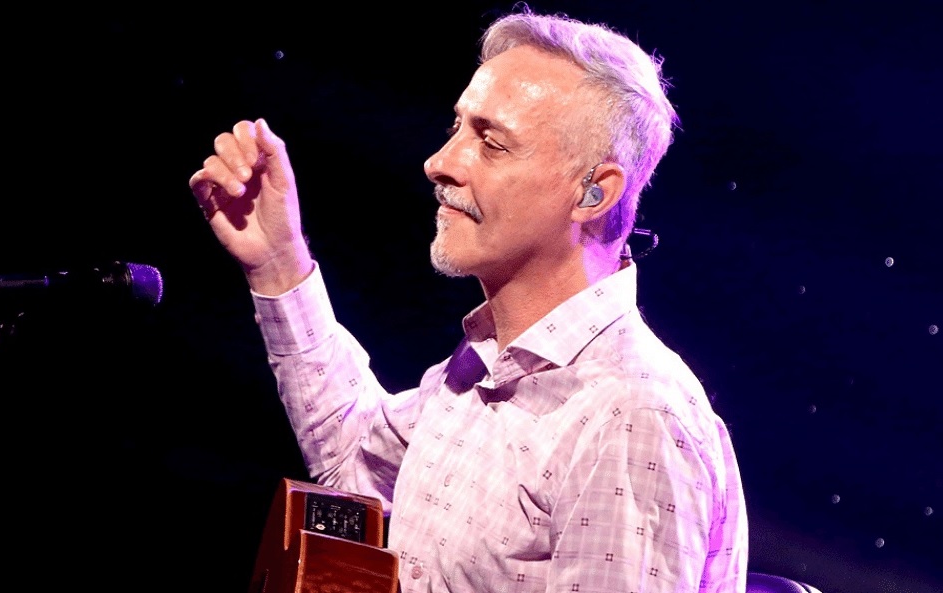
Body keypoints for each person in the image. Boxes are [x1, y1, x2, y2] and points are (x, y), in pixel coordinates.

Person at [189, 6, 748, 592]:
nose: (439, 163)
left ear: (592, 193)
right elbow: (352, 462)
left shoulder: (631, 418)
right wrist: (279, 262)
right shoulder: (484, 367)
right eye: (456, 129)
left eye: (492, 143)